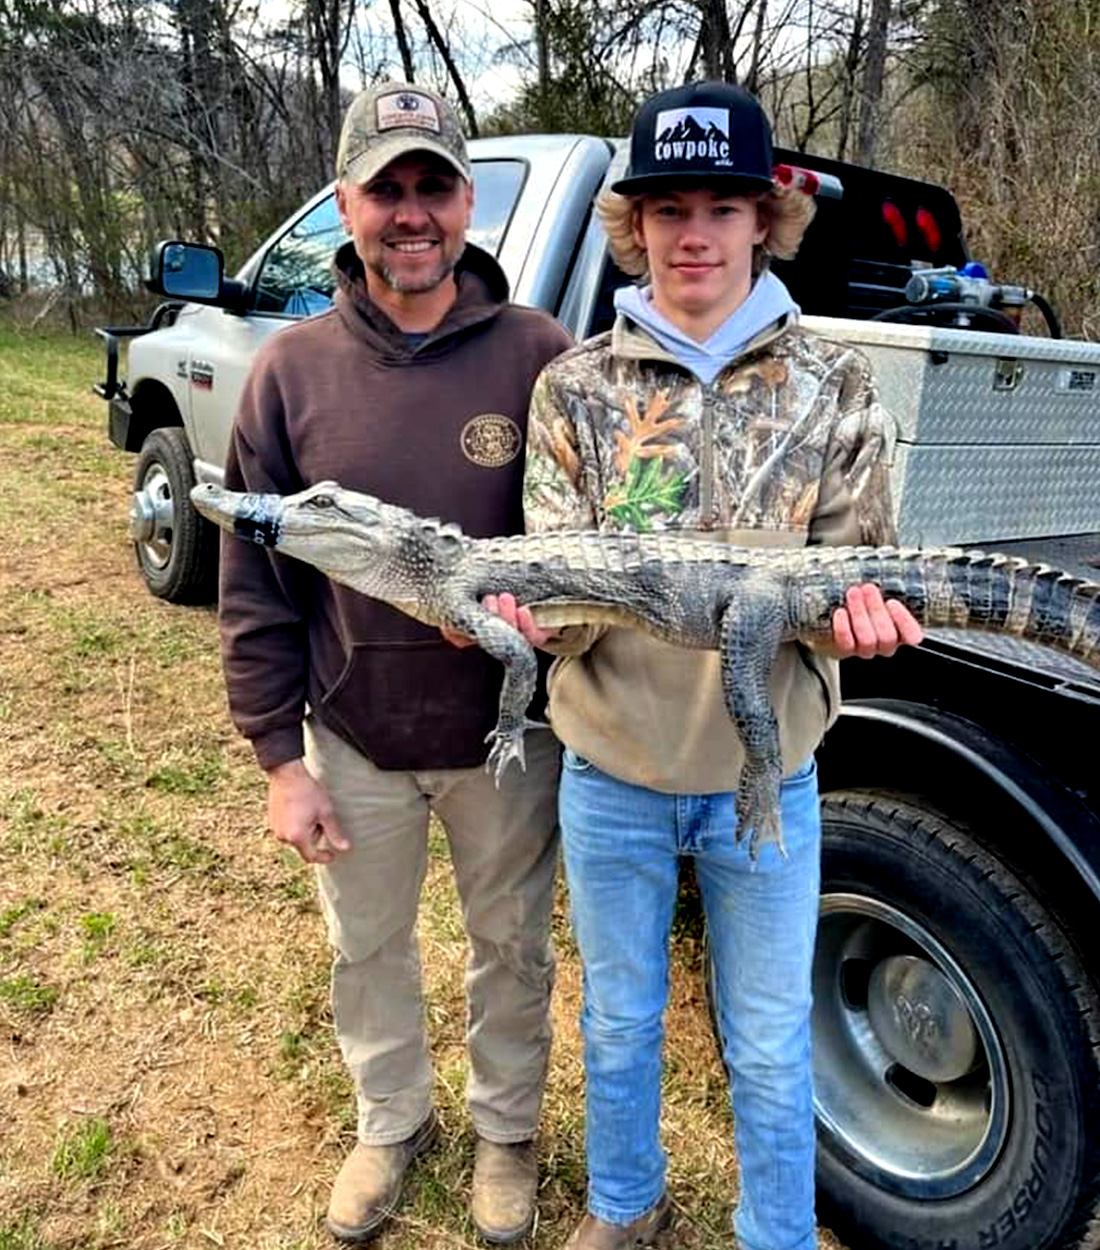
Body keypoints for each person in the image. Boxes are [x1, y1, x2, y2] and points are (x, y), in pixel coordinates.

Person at [495, 81, 924, 1250]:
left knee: (772, 1037)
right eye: (666, 206)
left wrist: (855, 624)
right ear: (632, 226)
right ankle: (623, 1206)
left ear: (762, 220)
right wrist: (532, 618)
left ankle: (772, 1233)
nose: (693, 232)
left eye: (722, 205)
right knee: (622, 1020)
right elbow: (554, 585)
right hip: (611, 777)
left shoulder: (831, 386)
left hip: (765, 782)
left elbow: (850, 579)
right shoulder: (573, 390)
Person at [216, 81, 572, 1245]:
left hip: (502, 735)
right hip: (353, 732)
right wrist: (281, 758)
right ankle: (390, 1119)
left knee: (510, 943)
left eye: (432, 187)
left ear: (467, 200)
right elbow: (255, 587)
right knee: (365, 946)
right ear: (343, 204)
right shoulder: (288, 373)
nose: (409, 214)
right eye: (385, 190)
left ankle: (505, 1133)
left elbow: (585, 552)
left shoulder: (541, 358)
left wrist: (546, 630)